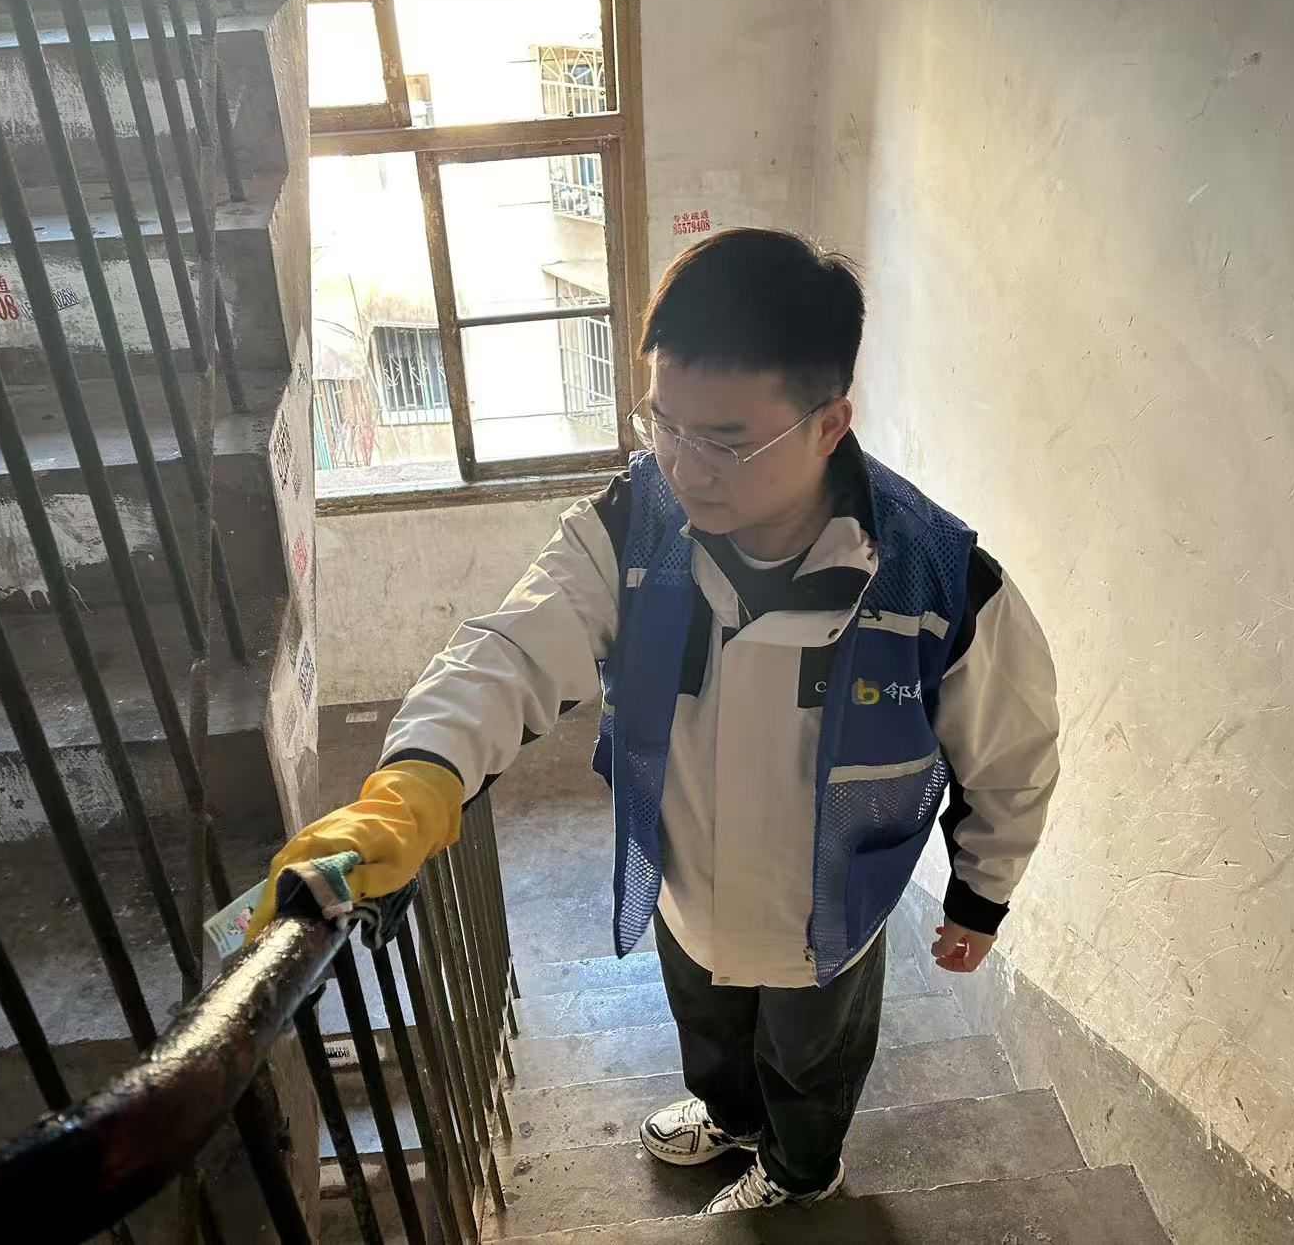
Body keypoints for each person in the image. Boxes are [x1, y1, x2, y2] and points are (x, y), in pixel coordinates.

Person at [248, 228, 1060, 1216]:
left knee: (811, 1058)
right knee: (708, 1027)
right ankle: (732, 1117)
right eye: (662, 423)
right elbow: (509, 650)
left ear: (828, 424)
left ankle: (801, 1170)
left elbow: (1010, 756)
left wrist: (979, 897)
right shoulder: (633, 526)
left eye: (723, 440)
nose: (681, 466)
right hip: (685, 882)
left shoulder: (938, 580)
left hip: (830, 912)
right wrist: (414, 784)